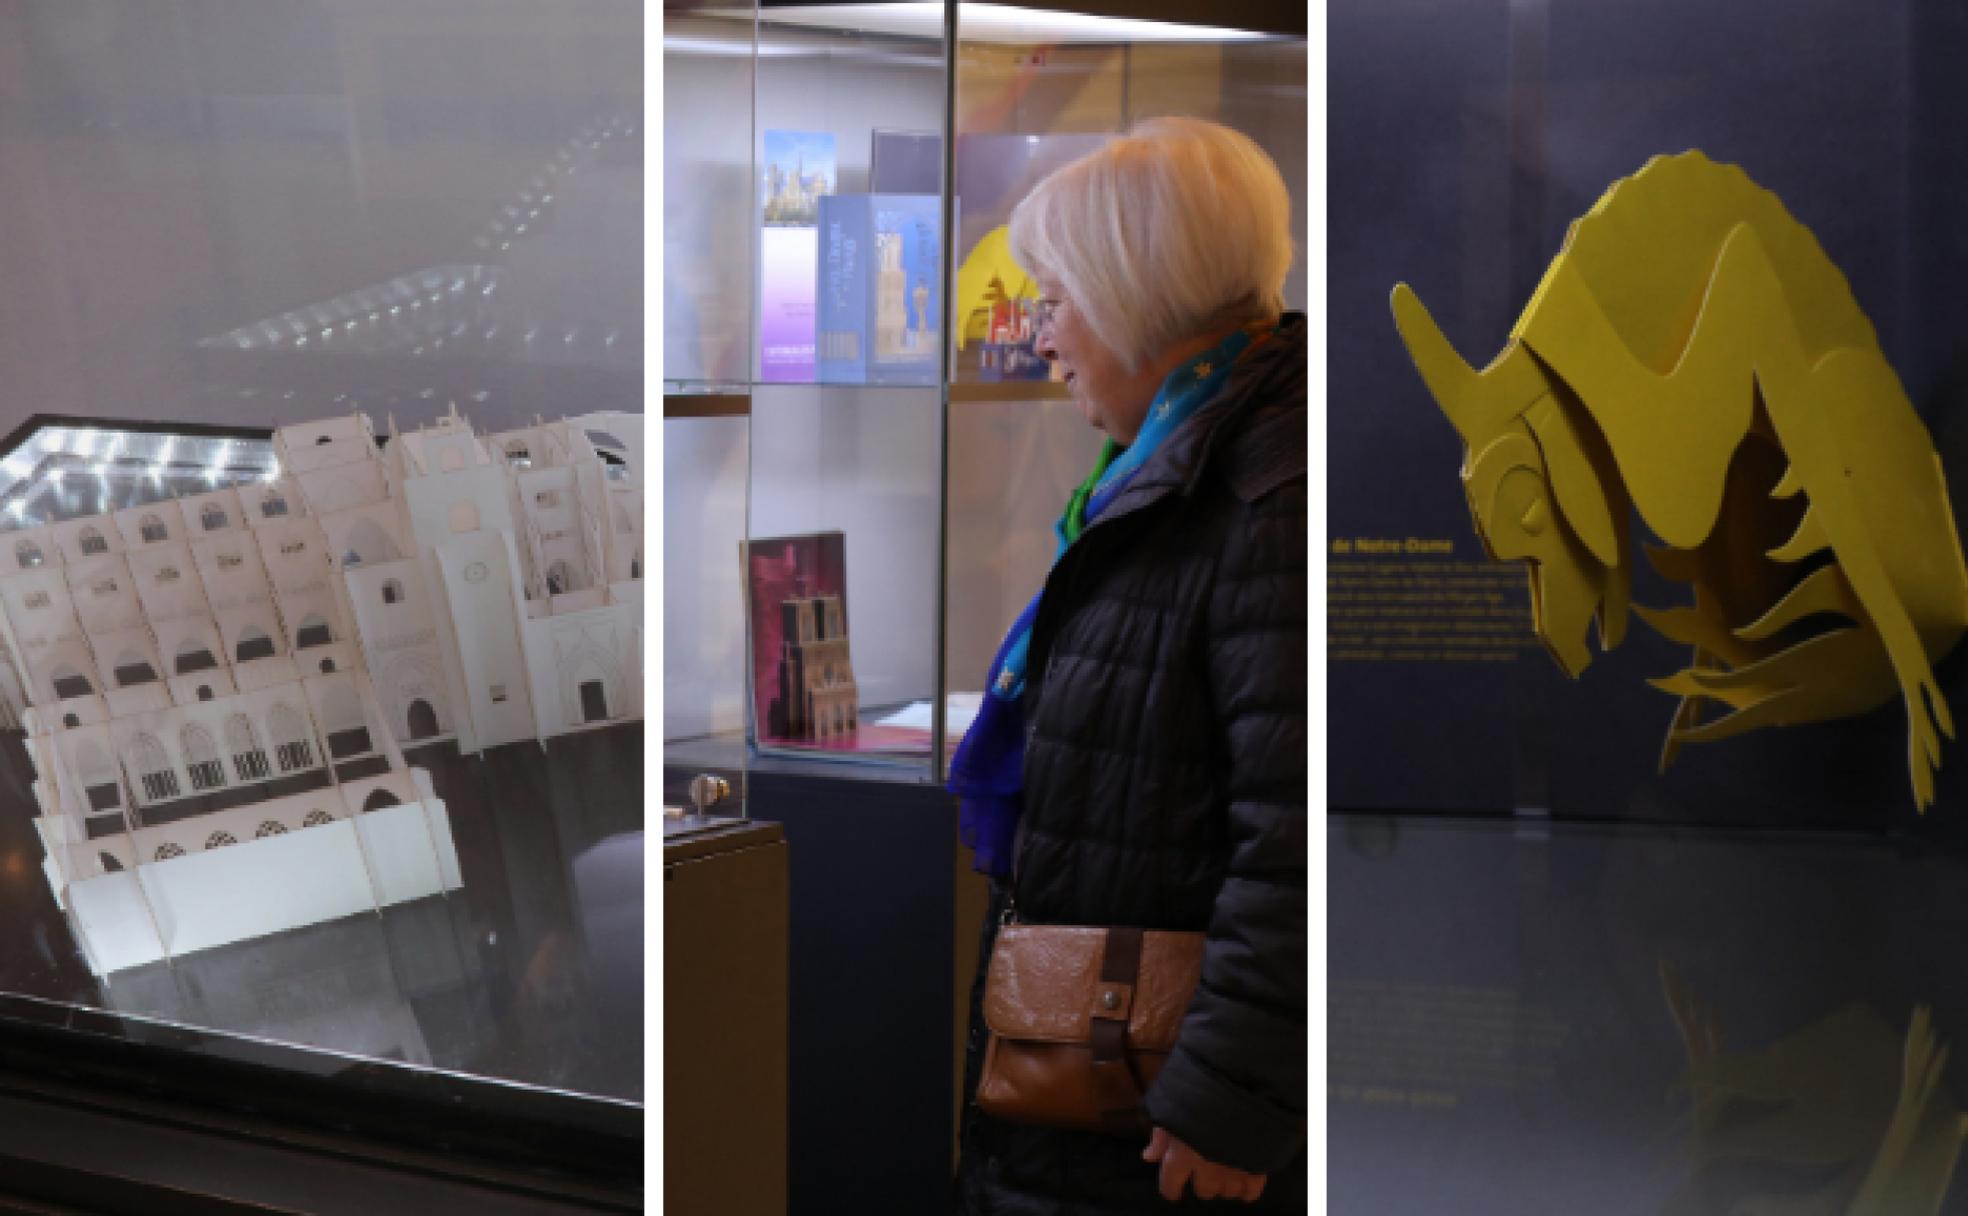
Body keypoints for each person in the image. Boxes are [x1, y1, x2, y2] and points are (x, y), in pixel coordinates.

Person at [950, 116, 1306, 1212]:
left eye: (1056, 302)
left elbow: (1291, 836)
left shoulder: (1261, 500)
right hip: (1101, 1091)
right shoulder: (1159, 473)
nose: (1044, 339)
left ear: (1133, 293)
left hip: (1164, 1130)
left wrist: (1225, 1096)